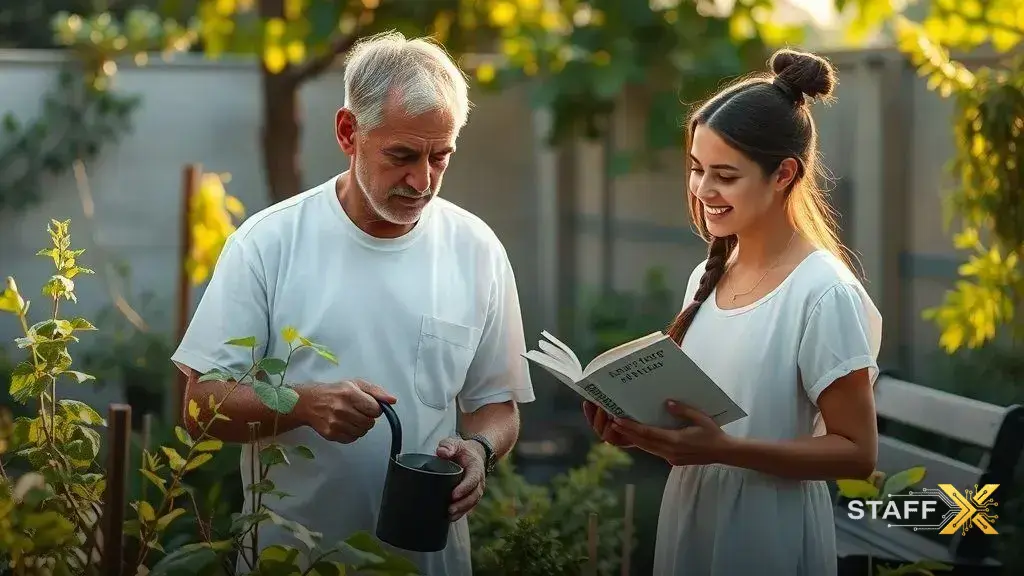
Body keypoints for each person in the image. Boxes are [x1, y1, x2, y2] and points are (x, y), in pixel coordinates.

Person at [172, 31, 535, 575]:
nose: (424, 179)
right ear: (348, 131)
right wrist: (302, 404)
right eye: (403, 156)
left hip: (427, 560)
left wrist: (480, 451)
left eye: (442, 157)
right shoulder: (268, 243)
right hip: (289, 560)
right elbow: (200, 407)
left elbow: (496, 408)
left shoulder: (476, 250)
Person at [583, 48, 882, 575]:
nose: (703, 189)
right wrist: (642, 429)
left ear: (784, 173)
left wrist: (723, 450)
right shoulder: (707, 276)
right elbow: (702, 429)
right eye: (698, 169)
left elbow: (856, 453)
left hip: (770, 529)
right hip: (693, 516)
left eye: (725, 174)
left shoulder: (824, 293)